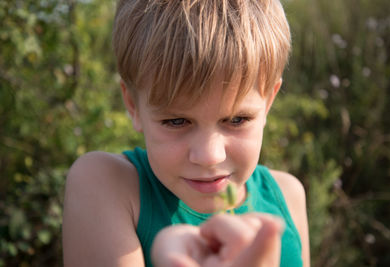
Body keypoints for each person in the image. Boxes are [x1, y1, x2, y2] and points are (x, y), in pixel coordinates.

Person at [62, 0, 310, 266]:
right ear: (133, 106)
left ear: (268, 102)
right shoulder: (107, 185)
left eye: (237, 119)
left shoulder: (286, 195)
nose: (209, 156)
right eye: (177, 121)